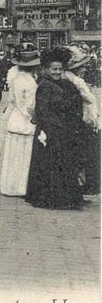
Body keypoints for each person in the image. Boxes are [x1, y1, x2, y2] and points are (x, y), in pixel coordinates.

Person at [25, 47, 85, 209]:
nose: (57, 72)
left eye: (60, 69)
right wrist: (53, 128)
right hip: (50, 131)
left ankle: (66, 197)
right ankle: (51, 198)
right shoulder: (44, 86)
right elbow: (42, 111)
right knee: (50, 165)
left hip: (65, 131)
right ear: (46, 69)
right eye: (54, 69)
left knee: (65, 163)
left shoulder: (66, 84)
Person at [0, 43, 40, 196]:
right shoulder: (29, 82)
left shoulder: (16, 78)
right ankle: (22, 187)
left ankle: (10, 186)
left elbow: (14, 100)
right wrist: (37, 116)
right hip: (25, 120)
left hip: (15, 118)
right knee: (24, 155)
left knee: (13, 156)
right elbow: (29, 105)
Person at [63, 45, 101, 196]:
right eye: (82, 67)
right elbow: (88, 101)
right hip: (83, 122)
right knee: (86, 155)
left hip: (85, 121)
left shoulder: (74, 79)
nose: (85, 69)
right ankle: (86, 185)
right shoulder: (76, 82)